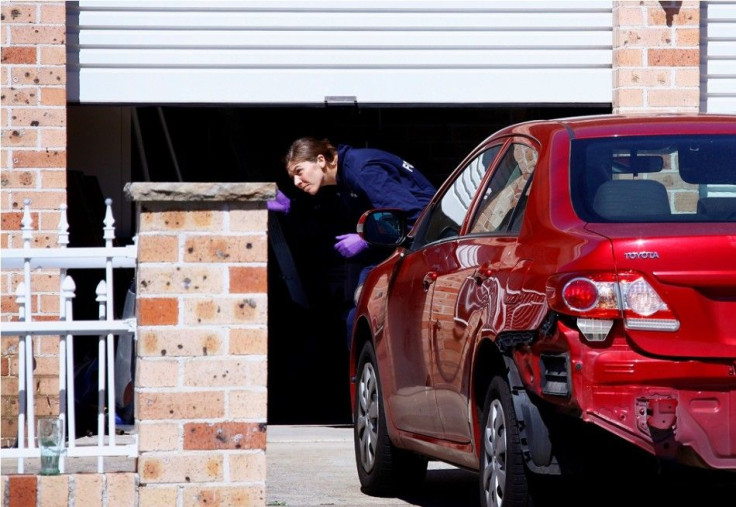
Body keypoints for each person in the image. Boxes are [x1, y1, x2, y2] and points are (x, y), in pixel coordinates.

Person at [269, 137, 436, 347]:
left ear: (321, 160)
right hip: (400, 249)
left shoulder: (362, 170)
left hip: (428, 247)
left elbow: (415, 215)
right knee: (357, 316)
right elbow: (332, 221)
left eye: (299, 171)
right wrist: (291, 209)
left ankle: (367, 376)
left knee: (359, 318)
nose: (296, 182)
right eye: (293, 176)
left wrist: (366, 239)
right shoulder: (347, 177)